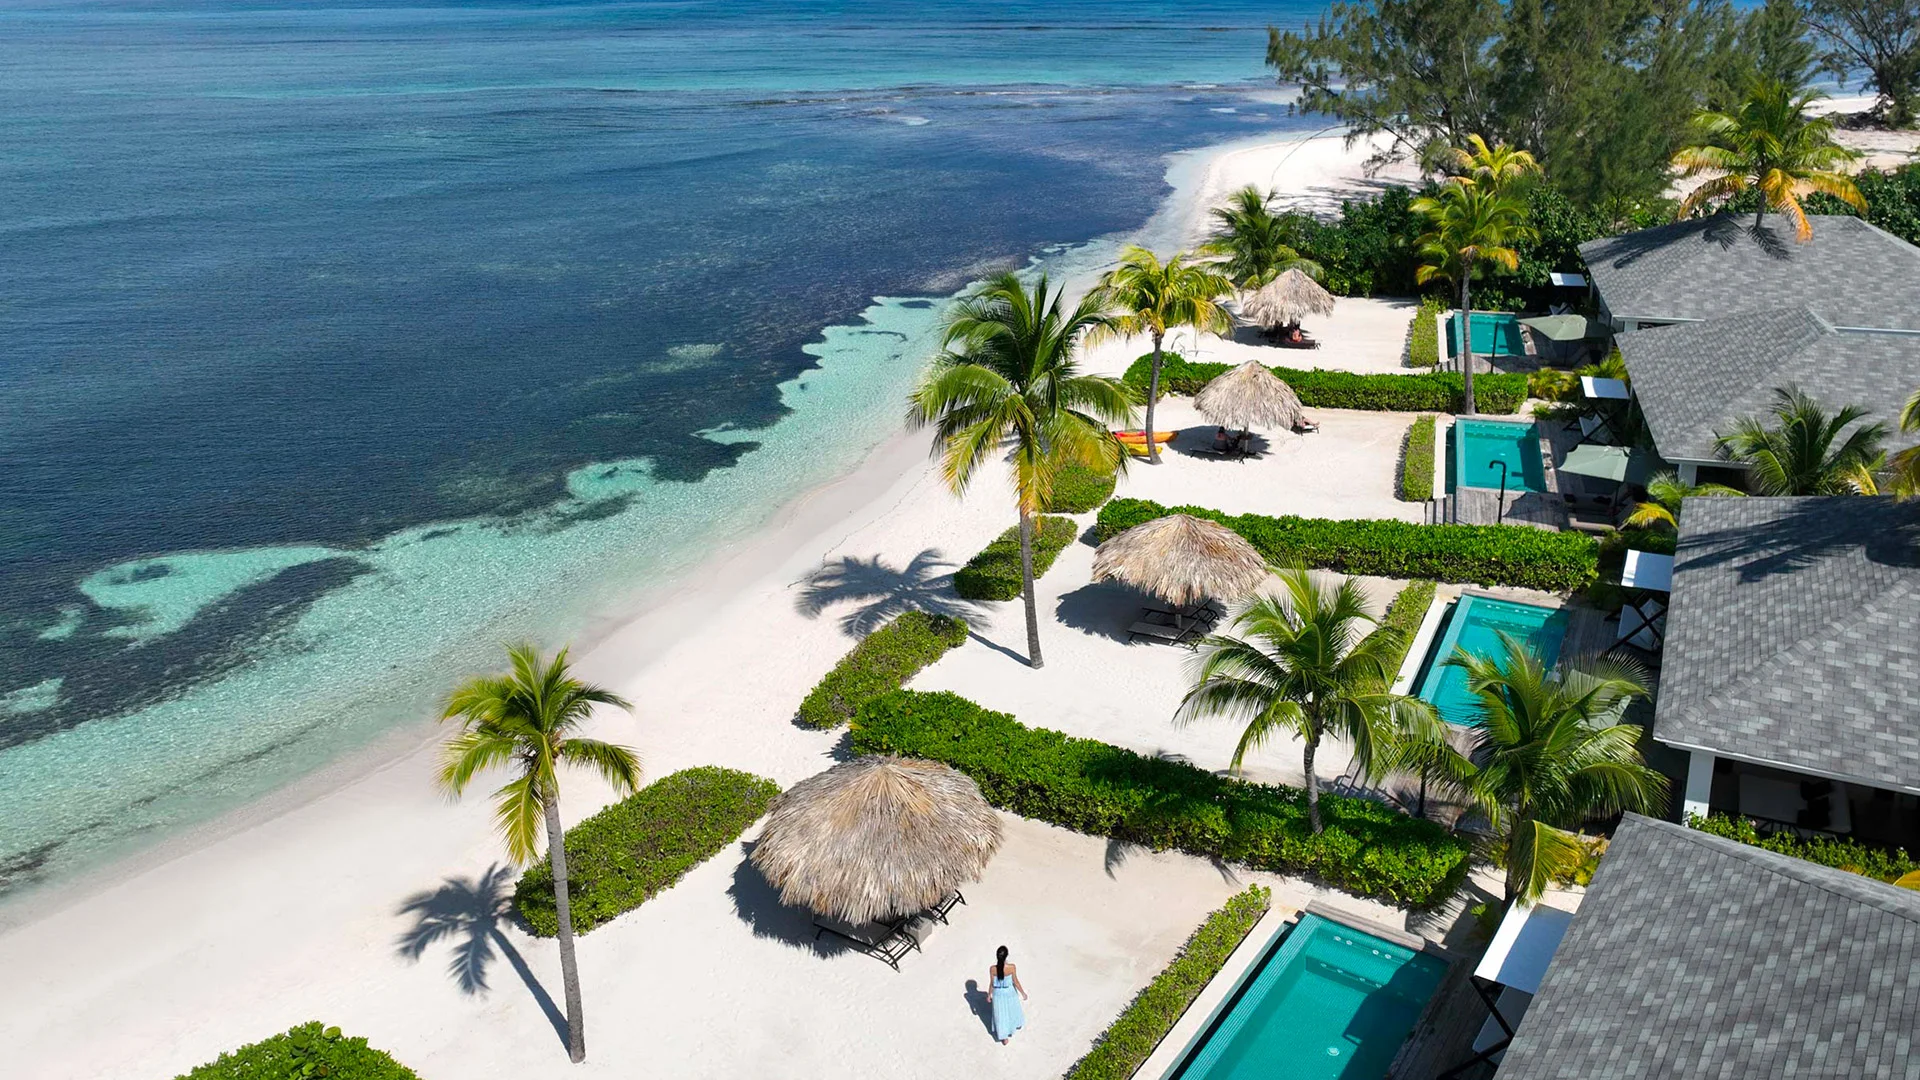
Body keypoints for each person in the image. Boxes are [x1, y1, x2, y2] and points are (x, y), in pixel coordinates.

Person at [987, 945, 1027, 1044]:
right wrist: (1023, 993)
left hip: (998, 994)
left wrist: (989, 995)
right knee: (1011, 1010)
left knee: (1000, 1016)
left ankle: (1004, 1038)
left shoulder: (992, 969)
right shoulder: (1012, 967)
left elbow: (992, 983)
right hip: (1009, 992)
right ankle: (1015, 1025)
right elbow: (1015, 982)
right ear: (1007, 956)